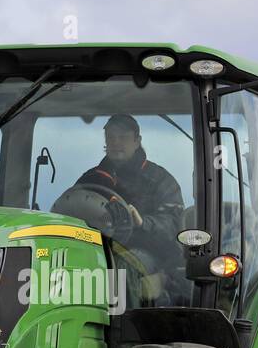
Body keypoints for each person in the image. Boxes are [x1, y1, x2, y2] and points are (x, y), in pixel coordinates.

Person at [74, 114, 184, 265]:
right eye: (111, 137)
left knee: (120, 264)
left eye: (123, 137)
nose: (115, 142)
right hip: (96, 248)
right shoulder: (90, 179)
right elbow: (70, 209)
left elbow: (174, 224)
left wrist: (142, 222)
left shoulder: (160, 180)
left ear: (137, 141)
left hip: (149, 252)